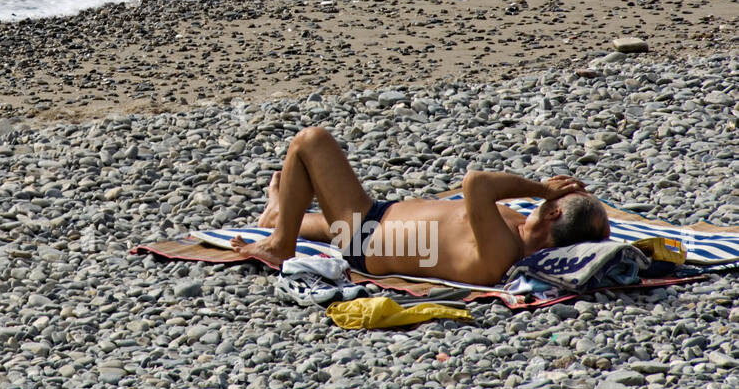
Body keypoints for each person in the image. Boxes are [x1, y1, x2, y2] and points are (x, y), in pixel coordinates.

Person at [231, 126, 610, 284]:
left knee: (309, 142)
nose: (555, 190)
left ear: (555, 211)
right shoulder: (517, 231)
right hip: (375, 220)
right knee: (320, 220)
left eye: (559, 195)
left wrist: (539, 188)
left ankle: (281, 245)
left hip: (364, 239)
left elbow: (475, 183)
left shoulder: (505, 250)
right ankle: (280, 218)